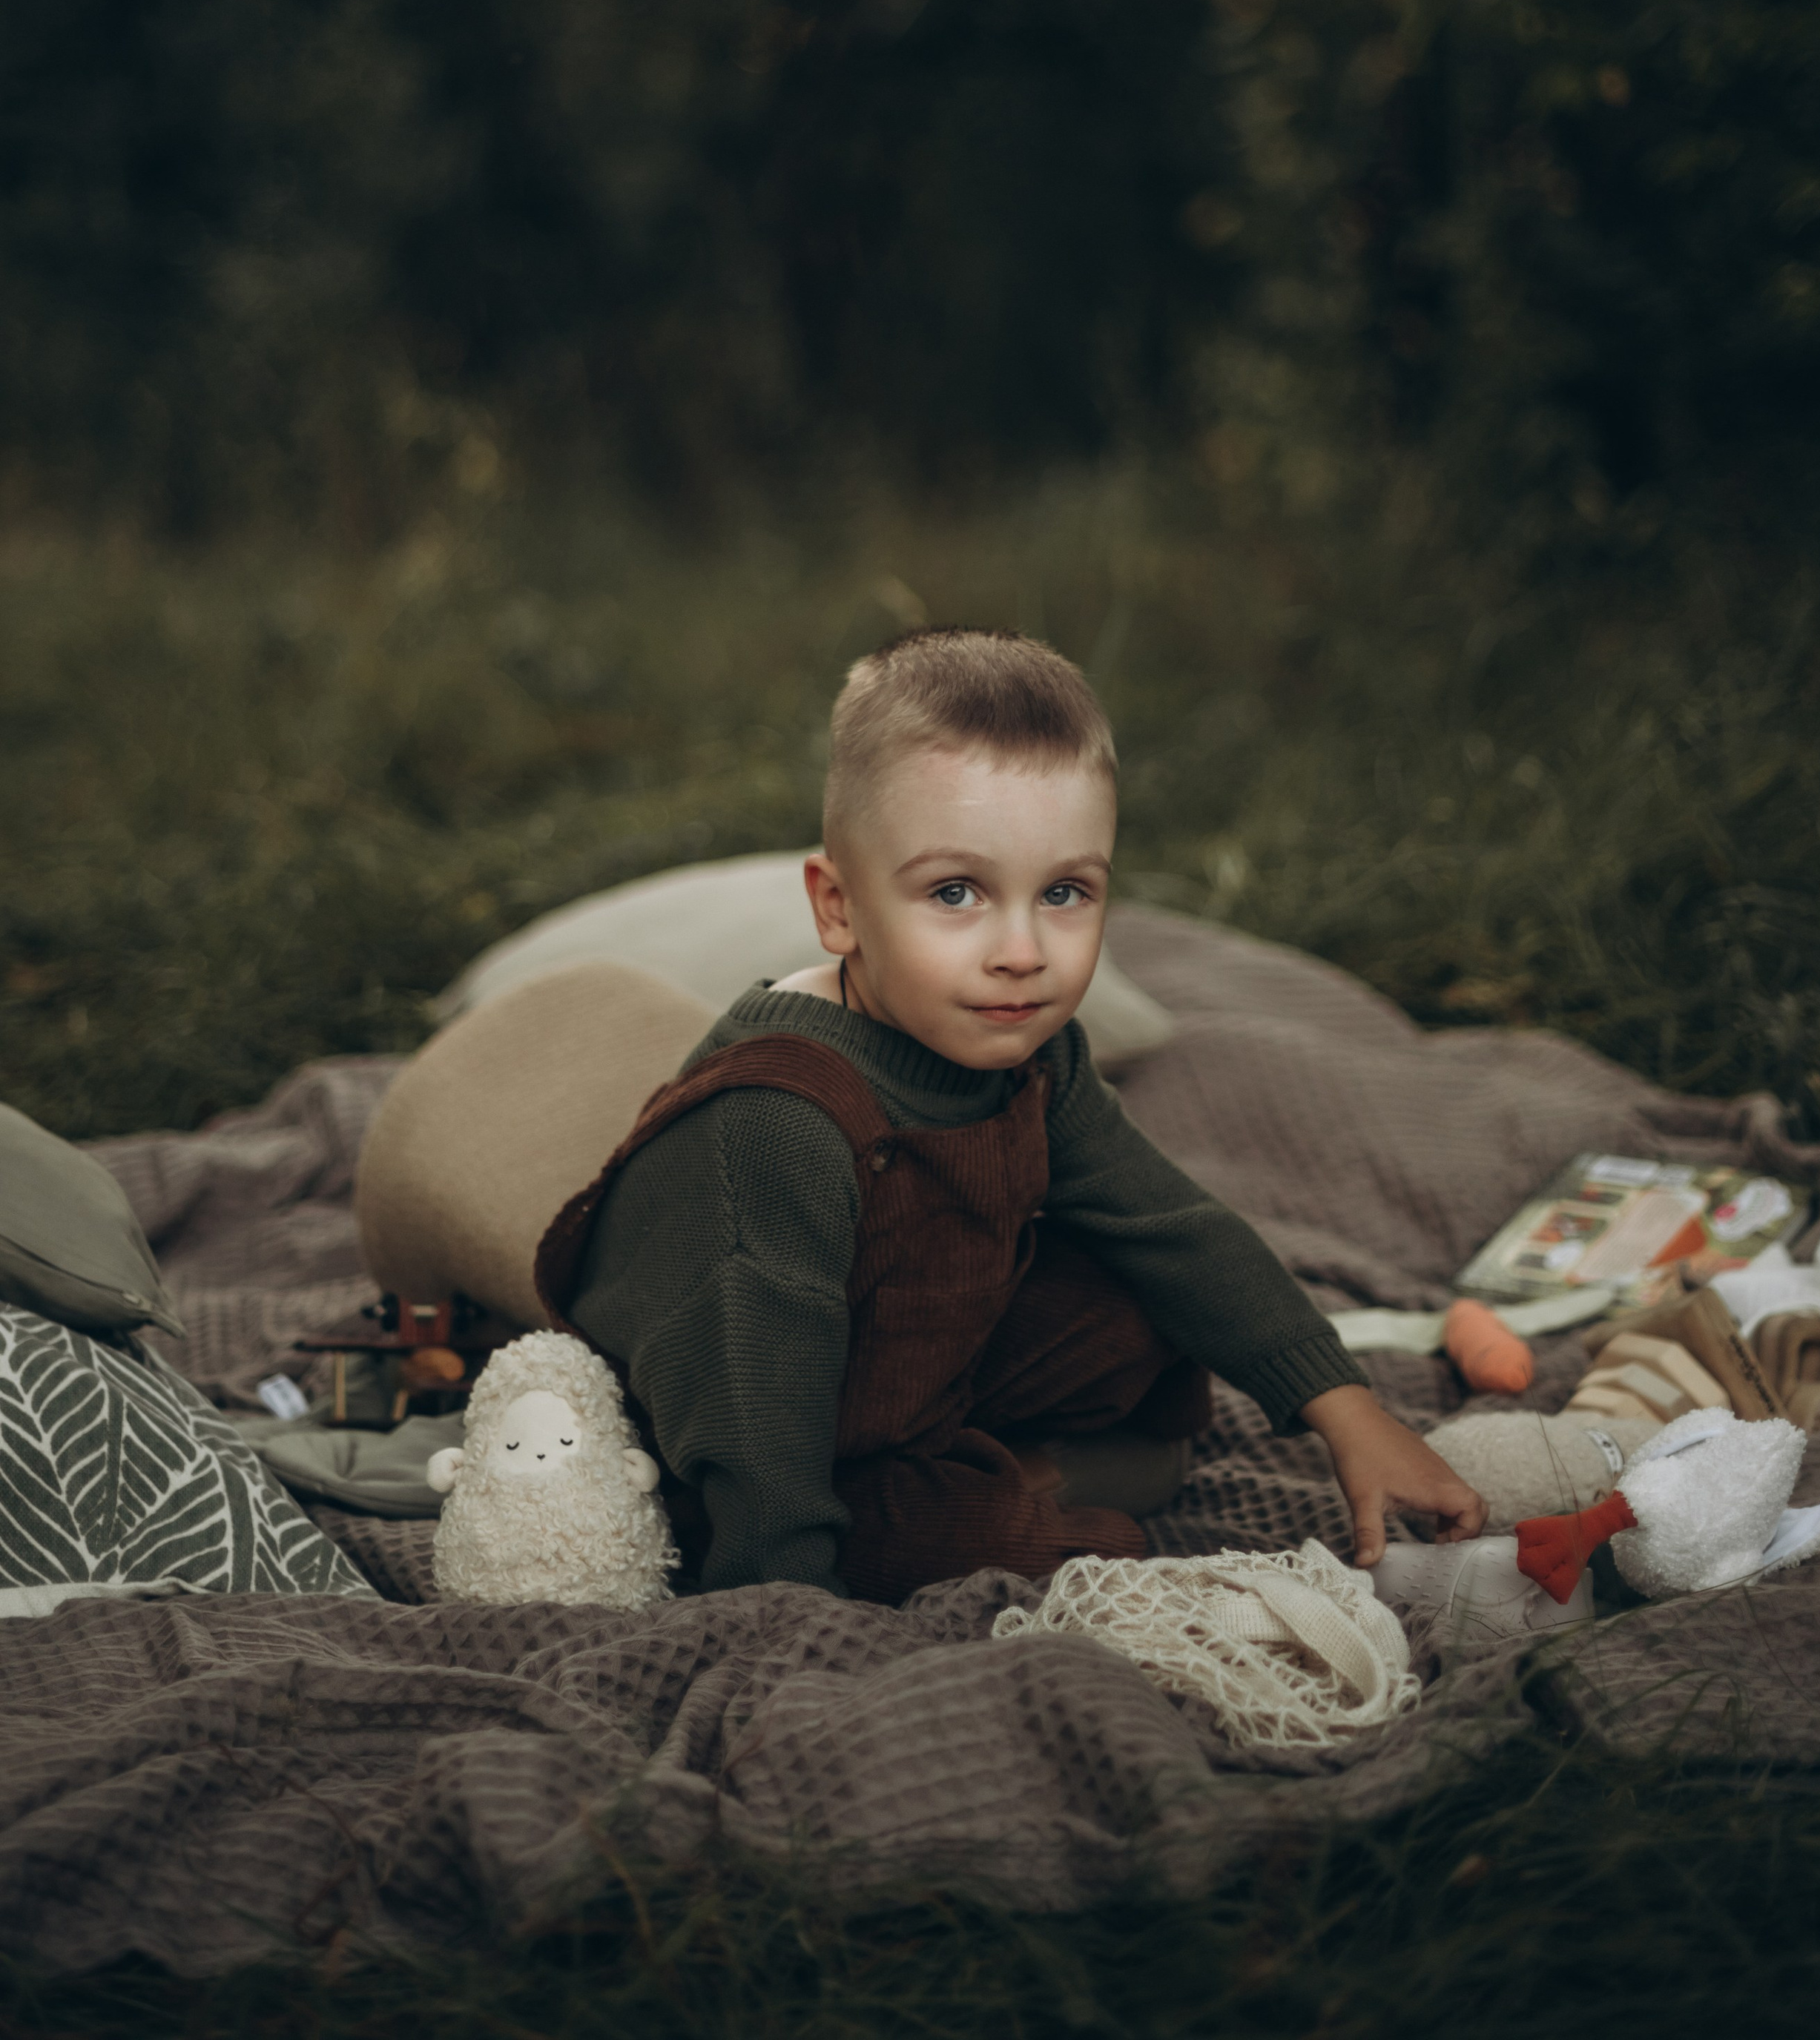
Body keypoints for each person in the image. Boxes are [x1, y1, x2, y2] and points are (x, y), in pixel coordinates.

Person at [561, 628, 1487, 1603]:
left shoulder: (1035, 1052)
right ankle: (996, 1493)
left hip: (911, 1360)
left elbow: (1169, 1222)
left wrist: (1347, 1411)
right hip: (762, 1436)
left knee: (1146, 1299)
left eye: (1063, 893)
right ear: (838, 909)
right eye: (955, 893)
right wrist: (781, 1595)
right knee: (1049, 1552)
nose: (1022, 950)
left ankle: (980, 1461)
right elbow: (750, 1407)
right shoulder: (776, 1118)